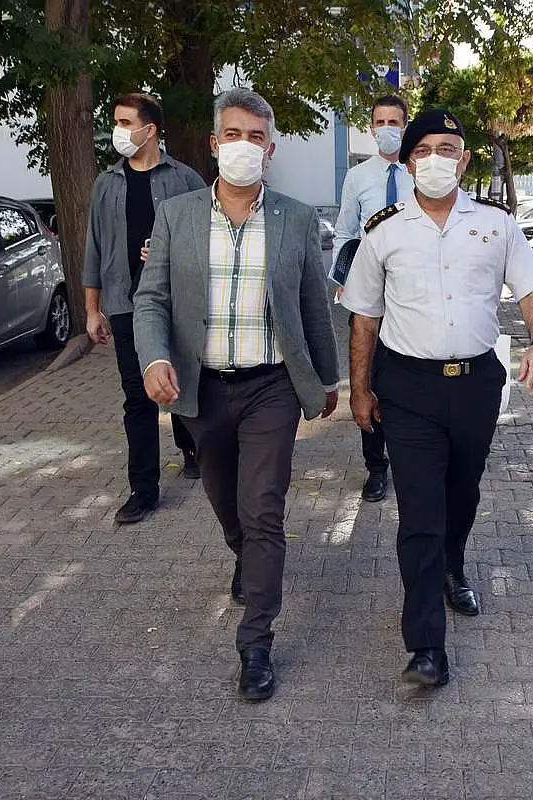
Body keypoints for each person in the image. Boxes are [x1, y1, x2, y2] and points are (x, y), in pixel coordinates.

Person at [133, 88, 340, 701]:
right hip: (203, 388)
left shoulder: (297, 219)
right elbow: (152, 299)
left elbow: (313, 305)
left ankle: (256, 644)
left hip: (272, 387)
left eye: (255, 137)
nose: (243, 146)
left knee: (264, 509)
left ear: (270, 150)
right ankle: (243, 556)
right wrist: (155, 358)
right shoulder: (177, 216)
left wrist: (326, 379)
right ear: (213, 143)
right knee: (227, 501)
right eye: (233, 135)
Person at [342, 108, 533, 686]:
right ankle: (425, 646)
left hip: (476, 384)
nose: (437, 159)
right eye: (426, 149)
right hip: (407, 388)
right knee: (419, 512)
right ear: (410, 161)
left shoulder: (496, 224)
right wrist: (359, 390)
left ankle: (452, 568)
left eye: (449, 149)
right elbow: (364, 318)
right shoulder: (384, 229)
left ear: (464, 161)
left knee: (462, 493)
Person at [83, 93, 206, 526]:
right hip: (125, 304)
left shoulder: (185, 179)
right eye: (115, 122)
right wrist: (92, 309)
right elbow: (94, 247)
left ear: (149, 130)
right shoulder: (106, 184)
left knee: (182, 381)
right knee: (137, 397)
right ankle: (143, 490)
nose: (117, 131)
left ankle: (192, 449)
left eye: (124, 122)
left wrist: (170, 253)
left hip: (177, 301)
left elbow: (208, 238)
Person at [330, 95, 414, 503]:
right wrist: (344, 279)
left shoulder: (421, 171)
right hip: (369, 293)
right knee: (368, 378)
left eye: (393, 122)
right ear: (370, 128)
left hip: (412, 294)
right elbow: (345, 232)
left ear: (405, 126)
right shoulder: (358, 176)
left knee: (409, 377)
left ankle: (411, 456)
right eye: (379, 122)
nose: (386, 129)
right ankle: (376, 467)